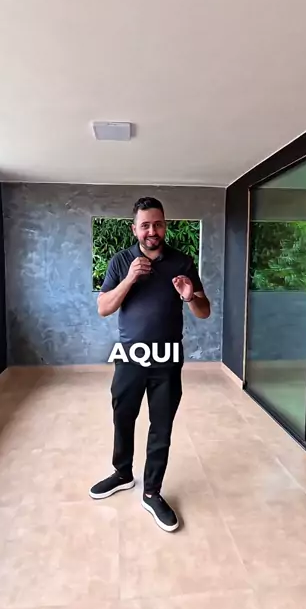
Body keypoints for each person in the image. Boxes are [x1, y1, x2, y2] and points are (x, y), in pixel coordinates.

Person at [89, 196, 211, 532]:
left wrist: (190, 296)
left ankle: (152, 491)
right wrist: (129, 279)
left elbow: (204, 311)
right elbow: (104, 308)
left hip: (167, 357)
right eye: (145, 225)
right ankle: (122, 473)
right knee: (123, 416)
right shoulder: (120, 261)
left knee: (161, 426)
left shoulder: (182, 262)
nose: (152, 231)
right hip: (131, 356)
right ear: (135, 229)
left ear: (165, 225)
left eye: (157, 224)